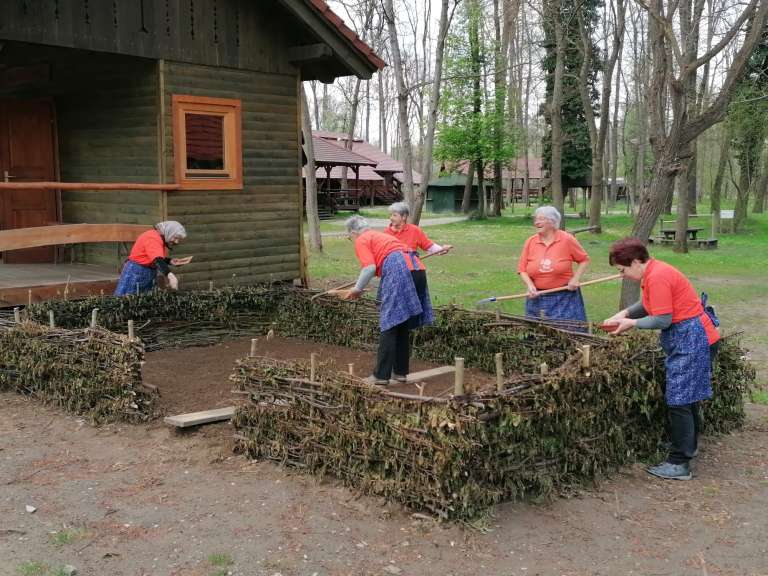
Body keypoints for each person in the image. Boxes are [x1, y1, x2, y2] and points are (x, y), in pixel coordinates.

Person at [603, 237, 720, 481]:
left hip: (694, 338)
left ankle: (680, 463)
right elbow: (648, 304)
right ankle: (687, 447)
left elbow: (662, 319)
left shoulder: (657, 276)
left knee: (679, 398)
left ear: (636, 262)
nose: (622, 275)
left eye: (622, 270)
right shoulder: (654, 271)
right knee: (688, 397)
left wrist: (630, 323)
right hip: (692, 336)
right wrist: (623, 313)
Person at [331, 215, 428, 386]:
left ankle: (381, 376)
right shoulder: (381, 236)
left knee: (389, 323)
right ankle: (400, 372)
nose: (351, 240)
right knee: (402, 321)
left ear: (353, 232)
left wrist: (357, 289)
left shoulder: (362, 239)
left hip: (400, 271)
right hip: (417, 269)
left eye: (349, 237)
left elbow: (369, 268)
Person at [384, 201, 452, 335]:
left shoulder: (414, 231)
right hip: (394, 274)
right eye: (391, 215)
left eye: (394, 215)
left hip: (413, 272)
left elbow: (429, 246)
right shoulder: (386, 233)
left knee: (410, 302)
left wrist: (441, 249)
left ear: (404, 217)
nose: (391, 218)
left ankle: (409, 328)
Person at [517, 206, 590, 326]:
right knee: (537, 335)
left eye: (541, 219)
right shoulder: (530, 242)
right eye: (536, 219)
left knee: (567, 333)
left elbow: (584, 260)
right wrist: (530, 286)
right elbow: (522, 269)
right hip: (536, 297)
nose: (537, 222)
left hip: (564, 296)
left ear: (552, 222)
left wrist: (575, 279)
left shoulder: (567, 239)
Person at [114, 221, 192, 296]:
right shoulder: (153, 238)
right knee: (125, 300)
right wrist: (171, 276)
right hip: (136, 272)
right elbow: (157, 260)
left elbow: (152, 256)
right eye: (175, 238)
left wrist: (170, 261)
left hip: (147, 272)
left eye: (178, 239)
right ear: (169, 232)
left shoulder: (159, 238)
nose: (177, 242)